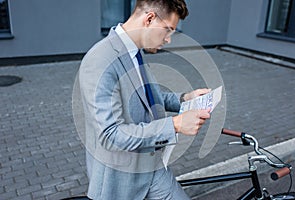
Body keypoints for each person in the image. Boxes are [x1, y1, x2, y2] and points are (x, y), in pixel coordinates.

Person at [79, 0, 211, 199]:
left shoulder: (134, 53)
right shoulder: (100, 60)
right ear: (149, 19)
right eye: (168, 30)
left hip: (151, 167)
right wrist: (175, 124)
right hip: (121, 180)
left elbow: (148, 98)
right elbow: (111, 134)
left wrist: (186, 99)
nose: (168, 40)